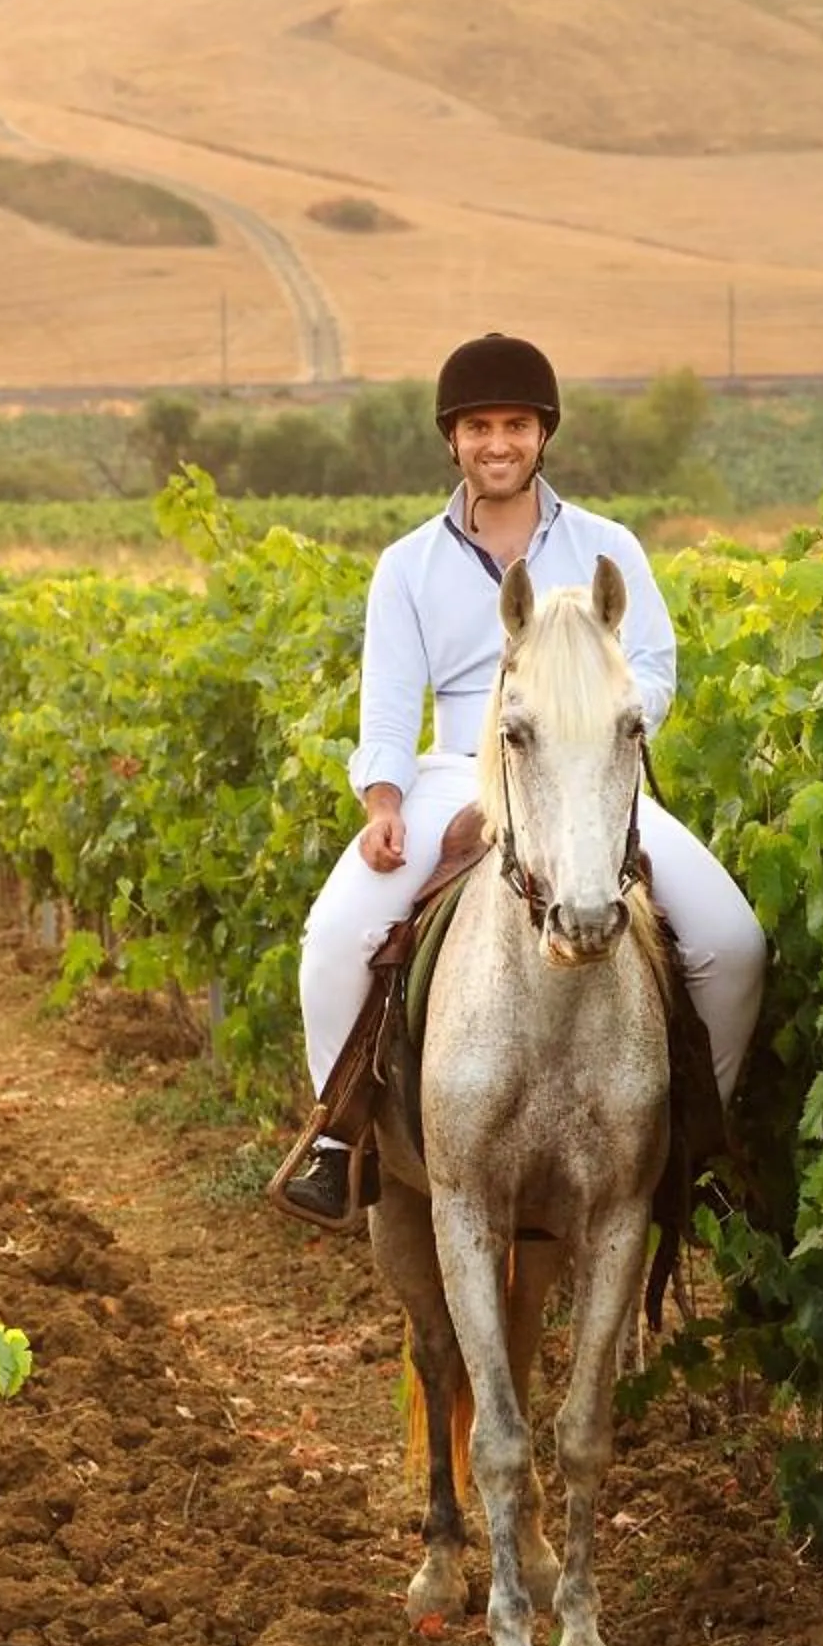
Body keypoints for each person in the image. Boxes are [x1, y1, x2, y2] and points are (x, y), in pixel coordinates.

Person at [274, 332, 765, 1226]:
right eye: (477, 427)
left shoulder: (608, 547)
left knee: (734, 946)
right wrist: (383, 801)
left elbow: (653, 666)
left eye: (515, 425)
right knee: (333, 937)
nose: (496, 443)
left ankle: (698, 1146)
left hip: (585, 773)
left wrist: (596, 722)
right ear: (451, 439)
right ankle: (340, 1139)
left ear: (544, 435)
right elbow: (387, 704)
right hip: (455, 772)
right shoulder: (407, 565)